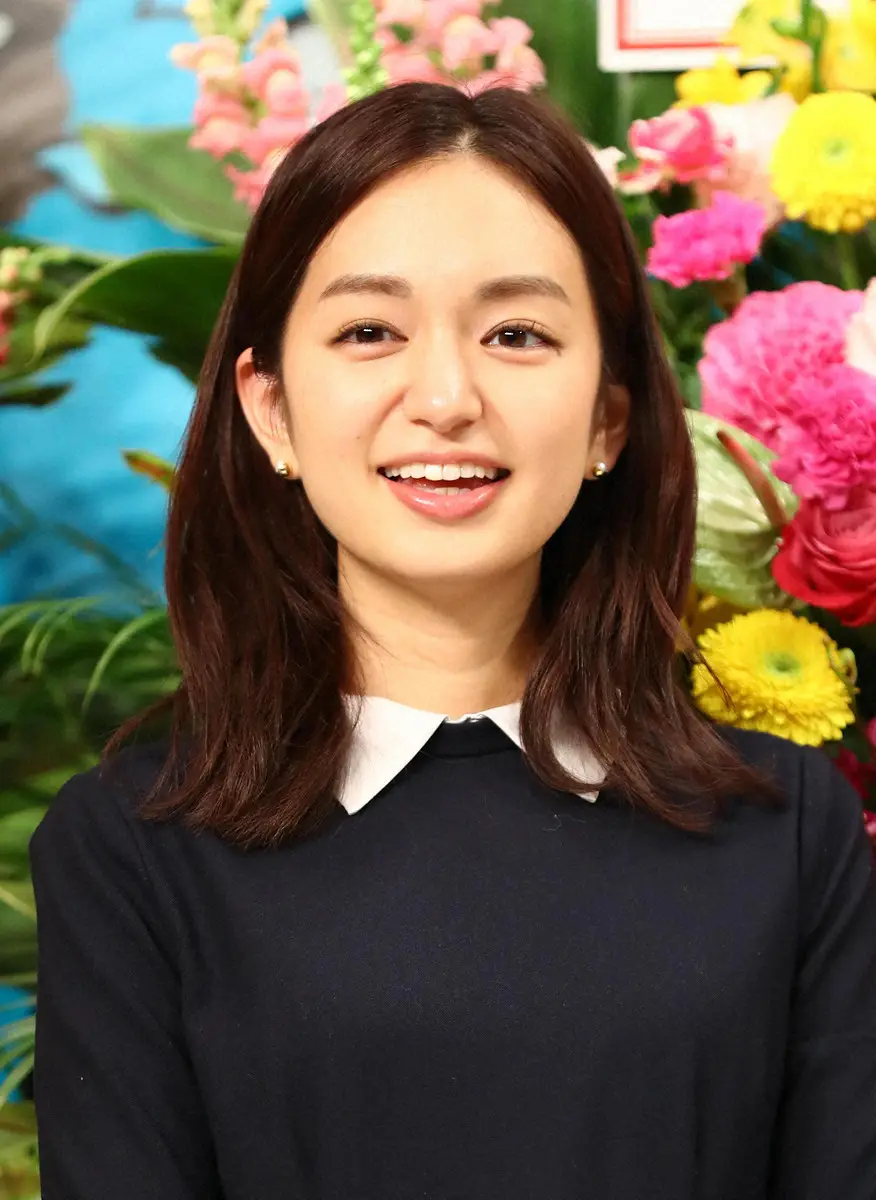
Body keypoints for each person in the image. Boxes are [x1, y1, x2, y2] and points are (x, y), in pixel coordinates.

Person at [28, 81, 876, 1200]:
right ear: (271, 408)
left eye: (516, 334)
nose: (445, 396)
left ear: (608, 418)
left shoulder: (787, 832)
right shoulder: (132, 852)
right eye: (369, 332)